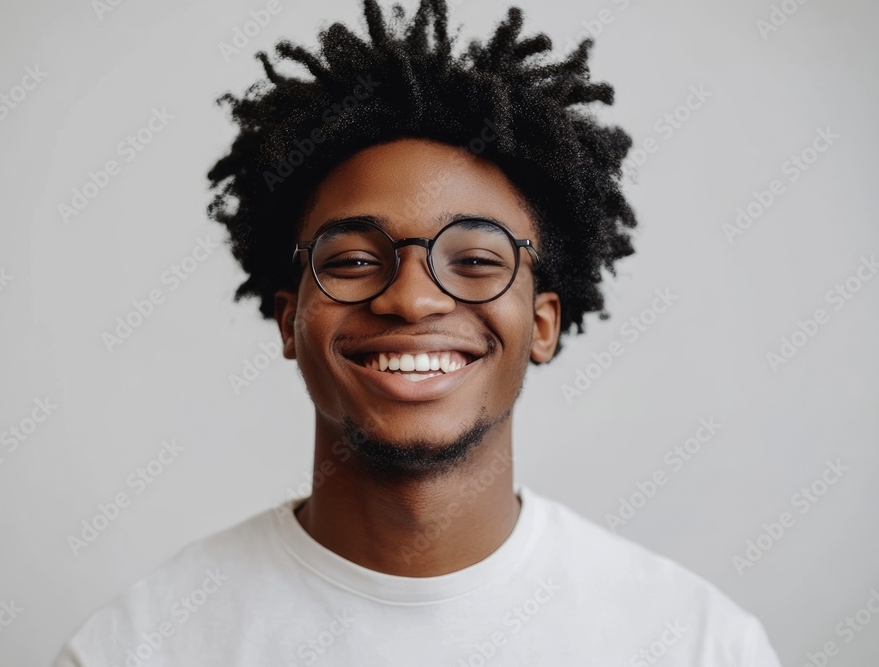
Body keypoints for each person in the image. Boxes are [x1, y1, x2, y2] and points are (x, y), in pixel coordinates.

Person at [54, 1, 782, 664]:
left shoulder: (696, 643)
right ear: (289, 318)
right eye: (354, 258)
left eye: (474, 259)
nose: (410, 297)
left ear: (541, 323)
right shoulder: (138, 647)